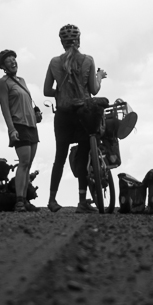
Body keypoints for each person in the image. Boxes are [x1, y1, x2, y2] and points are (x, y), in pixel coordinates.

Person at [42, 24, 105, 213]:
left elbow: (46, 90)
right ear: (78, 41)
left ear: (62, 43)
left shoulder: (54, 62)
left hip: (63, 115)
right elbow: (94, 90)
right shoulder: (88, 60)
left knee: (59, 158)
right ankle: (82, 202)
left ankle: (52, 199)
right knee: (83, 156)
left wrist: (61, 93)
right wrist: (99, 76)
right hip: (83, 113)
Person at [0, 49, 41, 212]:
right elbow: (5, 108)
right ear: (3, 66)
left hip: (31, 125)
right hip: (19, 125)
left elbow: (25, 102)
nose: (13, 62)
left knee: (28, 164)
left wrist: (35, 114)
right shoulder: (3, 83)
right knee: (24, 162)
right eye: (8, 61)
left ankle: (25, 199)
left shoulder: (22, 80)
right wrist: (11, 129)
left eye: (14, 59)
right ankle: (19, 201)